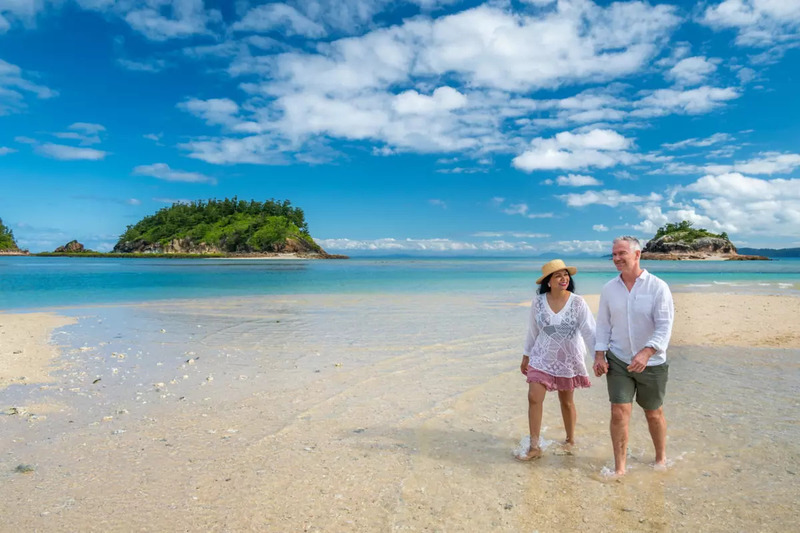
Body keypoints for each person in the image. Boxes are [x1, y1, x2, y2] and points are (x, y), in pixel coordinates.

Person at [592, 236, 674, 476]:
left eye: (621, 254)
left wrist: (647, 352)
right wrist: (599, 355)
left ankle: (660, 459)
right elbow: (603, 325)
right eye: (614, 254)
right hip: (618, 358)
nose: (616, 258)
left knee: (653, 413)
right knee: (618, 412)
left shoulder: (657, 287)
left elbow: (664, 326)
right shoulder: (609, 289)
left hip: (653, 362)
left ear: (637, 255)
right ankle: (620, 468)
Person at [516, 259, 596, 461]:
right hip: (541, 355)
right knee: (534, 397)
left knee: (566, 401)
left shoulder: (578, 302)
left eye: (566, 274)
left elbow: (589, 331)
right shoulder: (538, 302)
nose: (564, 278)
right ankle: (535, 447)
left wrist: (599, 358)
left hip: (568, 358)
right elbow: (533, 331)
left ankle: (570, 440)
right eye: (558, 275)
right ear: (548, 281)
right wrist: (526, 355)